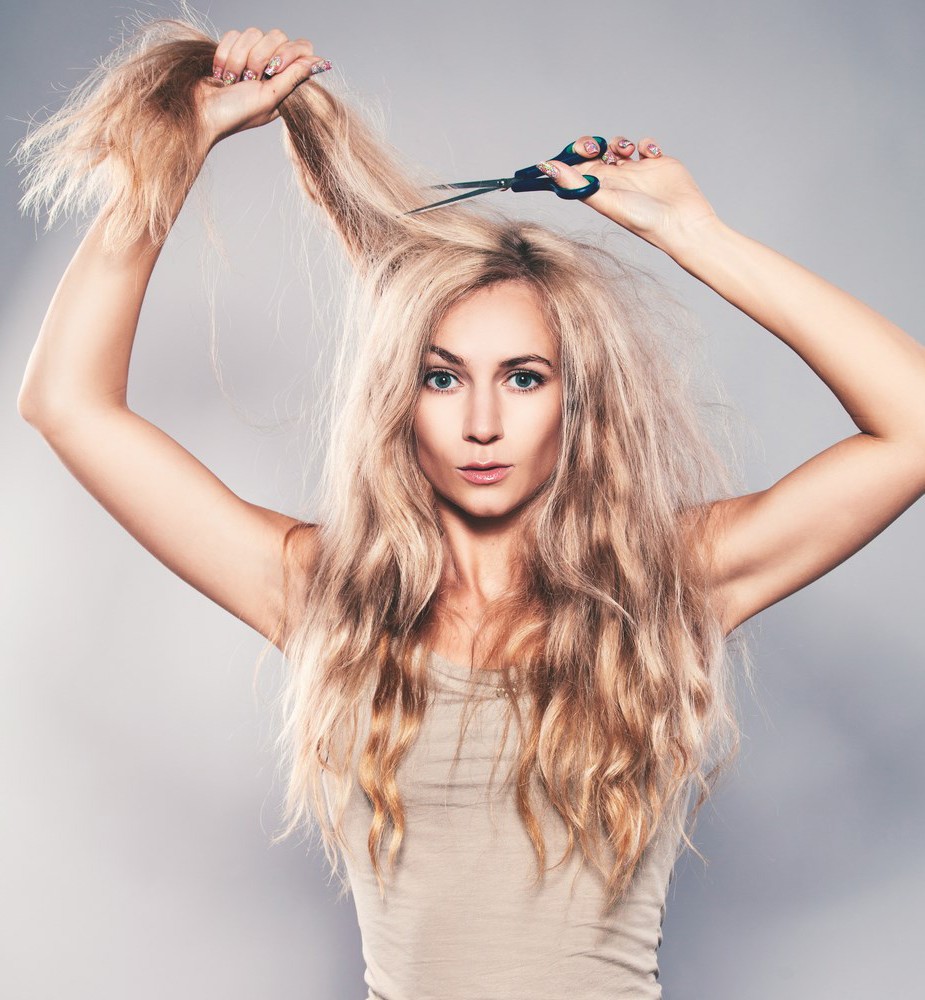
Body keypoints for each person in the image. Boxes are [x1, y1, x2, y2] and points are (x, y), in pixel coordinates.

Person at [15, 15, 925, 1000]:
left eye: (524, 377)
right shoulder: (325, 594)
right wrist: (177, 151)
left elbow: (911, 427)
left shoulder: (669, 584)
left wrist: (690, 233)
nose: (482, 422)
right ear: (397, 400)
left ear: (576, 401)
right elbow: (66, 401)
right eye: (443, 378)